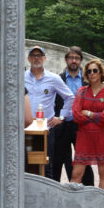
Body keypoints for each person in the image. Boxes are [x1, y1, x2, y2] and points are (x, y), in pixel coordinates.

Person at [22, 45, 74, 181]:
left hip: (45, 130)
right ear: (28, 58)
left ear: (44, 58)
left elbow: (70, 97)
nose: (36, 58)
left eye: (39, 55)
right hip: (24, 129)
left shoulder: (53, 78)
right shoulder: (20, 78)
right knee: (24, 164)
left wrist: (61, 117)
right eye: (33, 55)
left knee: (46, 165)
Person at [70, 59, 104, 190]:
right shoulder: (82, 91)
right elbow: (76, 115)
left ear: (100, 73)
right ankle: (73, 205)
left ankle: (101, 206)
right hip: (84, 137)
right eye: (89, 71)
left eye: (95, 70)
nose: (92, 73)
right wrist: (100, 116)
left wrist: (89, 114)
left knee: (103, 174)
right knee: (76, 174)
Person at [55, 46, 93, 185]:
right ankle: (55, 192)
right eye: (71, 57)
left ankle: (89, 190)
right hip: (62, 125)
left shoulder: (88, 80)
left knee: (84, 161)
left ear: (81, 61)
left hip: (81, 126)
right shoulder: (58, 79)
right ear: (66, 59)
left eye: (77, 58)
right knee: (57, 161)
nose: (74, 61)